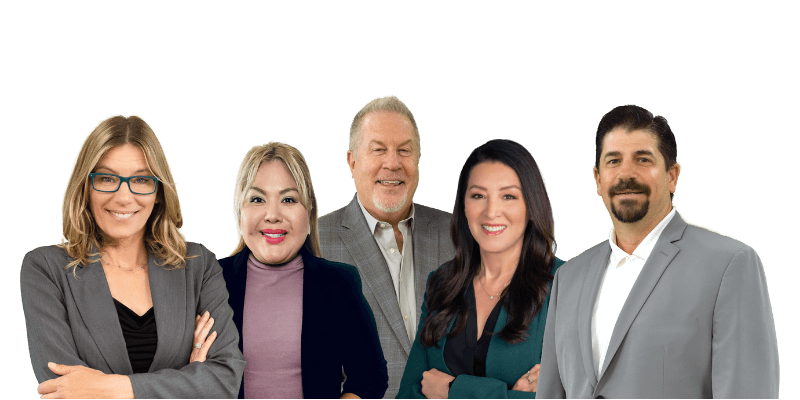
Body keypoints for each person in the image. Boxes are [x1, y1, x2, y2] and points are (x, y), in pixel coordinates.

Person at [536, 105, 780, 398]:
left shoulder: (728, 265)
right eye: (613, 161)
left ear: (672, 176)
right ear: (598, 180)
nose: (626, 173)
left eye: (643, 159)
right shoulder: (568, 278)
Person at [20, 114, 245, 398]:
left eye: (140, 179)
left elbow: (225, 379)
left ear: (159, 191)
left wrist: (113, 387)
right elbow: (62, 390)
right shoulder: (45, 269)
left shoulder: (197, 265)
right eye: (106, 178)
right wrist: (188, 381)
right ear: (85, 187)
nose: (124, 197)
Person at [218, 141, 388, 399]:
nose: (273, 215)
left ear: (309, 212)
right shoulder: (210, 281)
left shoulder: (339, 283)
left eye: (288, 199)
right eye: (257, 199)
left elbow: (370, 378)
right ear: (239, 211)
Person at [396, 139, 562, 399]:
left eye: (508, 196)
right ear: (463, 206)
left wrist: (452, 390)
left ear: (531, 206)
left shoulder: (565, 284)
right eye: (478, 196)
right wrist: (511, 395)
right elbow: (408, 393)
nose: (491, 212)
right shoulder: (441, 283)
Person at [318, 95, 455, 398]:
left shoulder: (457, 234)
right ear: (352, 161)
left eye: (404, 150)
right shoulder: (314, 240)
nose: (393, 163)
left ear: (418, 160)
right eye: (378, 149)